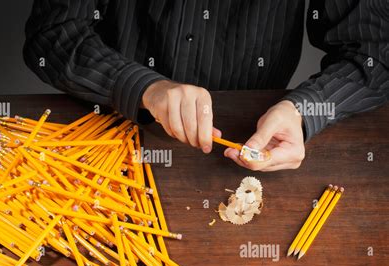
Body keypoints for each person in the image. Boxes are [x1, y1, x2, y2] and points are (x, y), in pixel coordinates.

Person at [23, 0, 389, 171]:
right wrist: (144, 87)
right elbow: (53, 35)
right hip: (111, 137)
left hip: (249, 141)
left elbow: (374, 52)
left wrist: (304, 109)